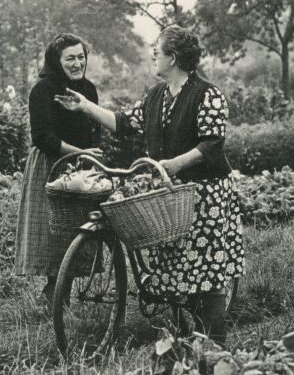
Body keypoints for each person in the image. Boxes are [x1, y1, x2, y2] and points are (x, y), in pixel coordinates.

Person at [55, 25, 244, 343]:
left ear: (173, 57)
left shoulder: (207, 94)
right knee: (179, 269)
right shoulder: (157, 95)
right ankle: (190, 336)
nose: (153, 55)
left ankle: (215, 347)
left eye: (158, 51)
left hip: (205, 195)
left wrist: (174, 164)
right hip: (170, 193)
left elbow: (212, 144)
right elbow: (125, 122)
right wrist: (85, 107)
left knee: (206, 276)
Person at [15, 33, 102, 302]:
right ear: (56, 61)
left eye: (81, 57)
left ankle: (62, 289)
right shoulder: (43, 90)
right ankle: (53, 293)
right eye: (70, 58)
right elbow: (42, 137)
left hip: (81, 166)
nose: (77, 63)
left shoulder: (88, 90)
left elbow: (94, 126)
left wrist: (90, 156)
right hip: (51, 165)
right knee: (53, 231)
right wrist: (79, 152)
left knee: (79, 228)